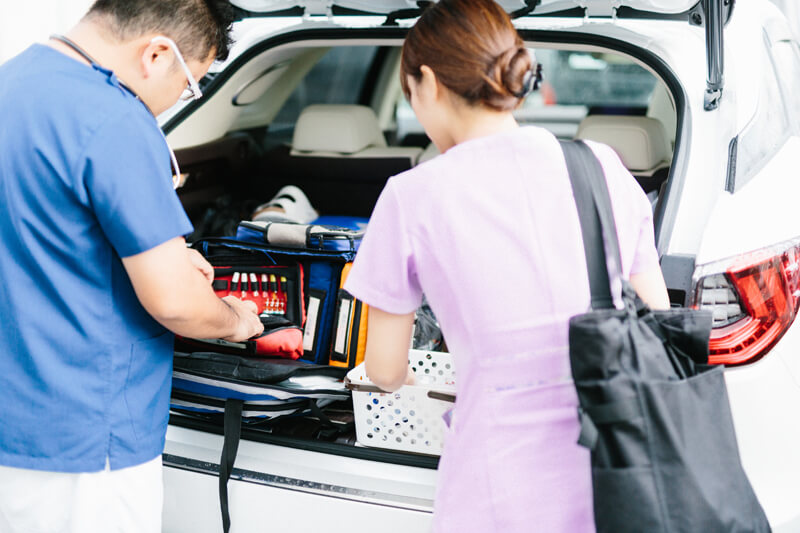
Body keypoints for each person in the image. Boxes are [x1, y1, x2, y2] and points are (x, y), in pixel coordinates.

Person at [343, 1, 671, 531]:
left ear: (426, 81)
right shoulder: (601, 164)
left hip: (498, 482)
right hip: (618, 466)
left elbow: (383, 370)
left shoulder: (411, 195)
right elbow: (655, 318)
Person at [0, 1, 264, 532]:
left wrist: (157, 260)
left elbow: (38, 235)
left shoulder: (12, 83)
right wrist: (235, 318)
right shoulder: (114, 117)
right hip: (83, 443)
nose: (176, 102)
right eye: (191, 85)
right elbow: (175, 303)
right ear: (158, 54)